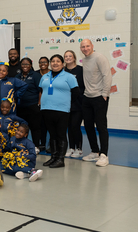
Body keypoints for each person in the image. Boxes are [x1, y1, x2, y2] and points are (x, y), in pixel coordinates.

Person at [39, 54, 79, 168]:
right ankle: (53, 157)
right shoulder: (45, 76)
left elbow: (76, 92)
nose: (55, 63)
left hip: (62, 110)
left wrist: (66, 102)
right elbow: (41, 89)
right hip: (46, 109)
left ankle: (60, 159)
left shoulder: (69, 77)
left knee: (61, 134)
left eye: (58, 61)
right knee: (52, 135)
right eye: (53, 61)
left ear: (62, 64)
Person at [80, 39, 112, 167]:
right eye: (83, 46)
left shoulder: (100, 57)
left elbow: (107, 75)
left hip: (99, 97)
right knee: (88, 126)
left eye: (87, 46)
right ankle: (95, 151)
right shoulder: (85, 60)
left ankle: (104, 155)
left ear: (92, 46)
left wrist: (105, 94)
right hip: (87, 97)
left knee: (101, 126)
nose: (85, 48)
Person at [15, 58, 42, 151]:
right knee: (22, 128)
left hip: (33, 105)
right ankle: (22, 145)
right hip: (20, 107)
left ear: (30, 65)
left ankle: (36, 146)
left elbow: (40, 91)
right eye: (23, 64)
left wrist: (39, 103)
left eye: (27, 64)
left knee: (35, 127)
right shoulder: (17, 77)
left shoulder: (36, 75)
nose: (25, 66)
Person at [64, 50, 85, 158]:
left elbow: (83, 86)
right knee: (69, 126)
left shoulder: (81, 70)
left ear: (74, 57)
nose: (68, 58)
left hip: (78, 103)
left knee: (75, 126)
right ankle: (71, 147)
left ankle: (79, 148)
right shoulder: (62, 71)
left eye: (70, 56)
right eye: (66, 56)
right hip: (65, 104)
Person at [36, 56, 50, 151]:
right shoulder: (36, 74)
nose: (43, 64)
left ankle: (52, 145)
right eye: (41, 62)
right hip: (39, 102)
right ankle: (42, 143)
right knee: (41, 124)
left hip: (51, 102)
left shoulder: (53, 73)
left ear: (48, 63)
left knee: (51, 124)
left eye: (45, 62)